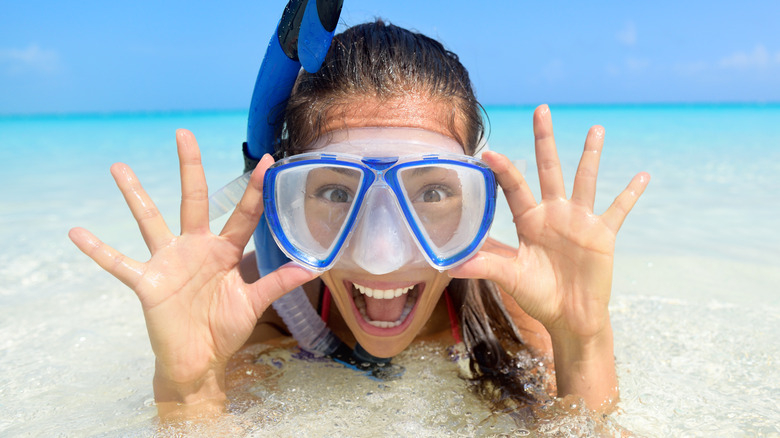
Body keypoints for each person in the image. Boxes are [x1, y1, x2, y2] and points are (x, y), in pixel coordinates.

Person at [69, 20, 649, 421]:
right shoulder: (250, 311)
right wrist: (188, 387)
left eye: (434, 193)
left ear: (479, 202)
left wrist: (583, 337)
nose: (382, 250)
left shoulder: (510, 305)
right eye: (334, 194)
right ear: (284, 204)